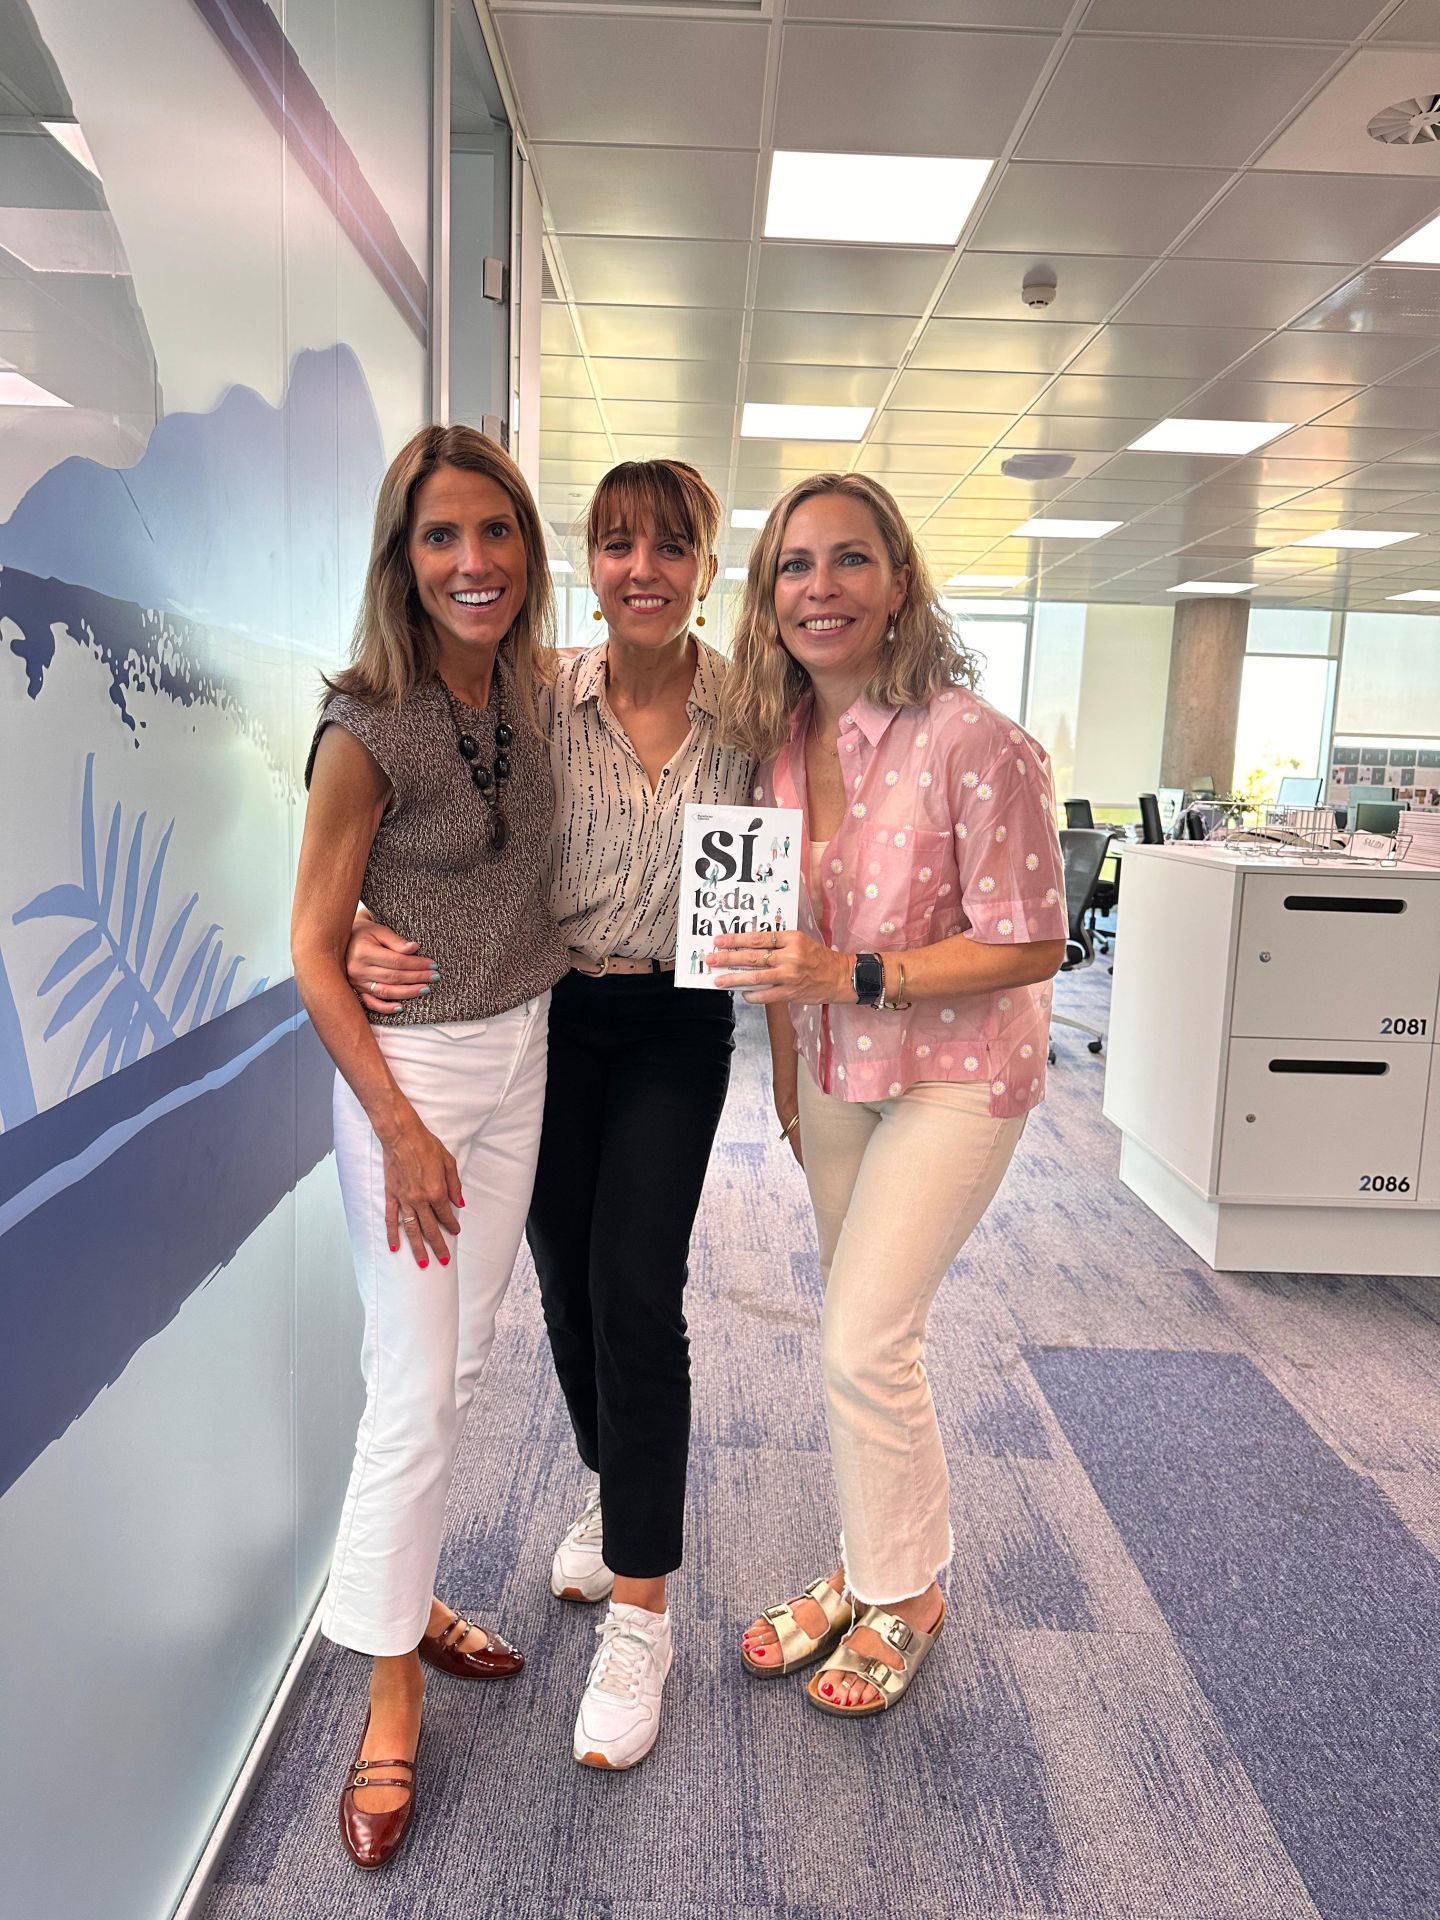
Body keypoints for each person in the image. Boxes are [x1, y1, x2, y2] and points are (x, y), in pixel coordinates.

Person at [345, 459, 754, 1770]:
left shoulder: (752, 708)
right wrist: (347, 924)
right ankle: (609, 1479)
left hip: (680, 1023)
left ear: (706, 566)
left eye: (672, 546)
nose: (644, 569)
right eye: (619, 543)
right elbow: (421, 817)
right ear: (589, 559)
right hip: (551, 1017)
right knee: (568, 1294)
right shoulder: (534, 696)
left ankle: (643, 1617)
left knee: (637, 1289)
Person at [712, 472, 1067, 1716]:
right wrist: (787, 1072)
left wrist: (857, 974)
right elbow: (772, 941)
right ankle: (871, 1565)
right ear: (768, 598)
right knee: (863, 1337)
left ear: (900, 582)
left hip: (957, 1077)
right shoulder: (775, 752)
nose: (821, 588)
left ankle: (906, 1594)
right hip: (836, 1073)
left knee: (864, 1336)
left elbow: (1035, 942)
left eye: (850, 559)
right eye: (794, 566)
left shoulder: (975, 743)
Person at [291, 424, 569, 1868]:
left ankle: (407, 1598)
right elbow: (309, 944)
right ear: (404, 559)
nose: (473, 562)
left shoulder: (532, 690)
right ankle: (388, 1693)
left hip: (522, 1055)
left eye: (495, 531)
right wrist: (398, 1126)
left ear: (527, 548)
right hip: (411, 1080)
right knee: (412, 1387)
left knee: (456, 1369)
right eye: (442, 536)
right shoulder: (366, 723)